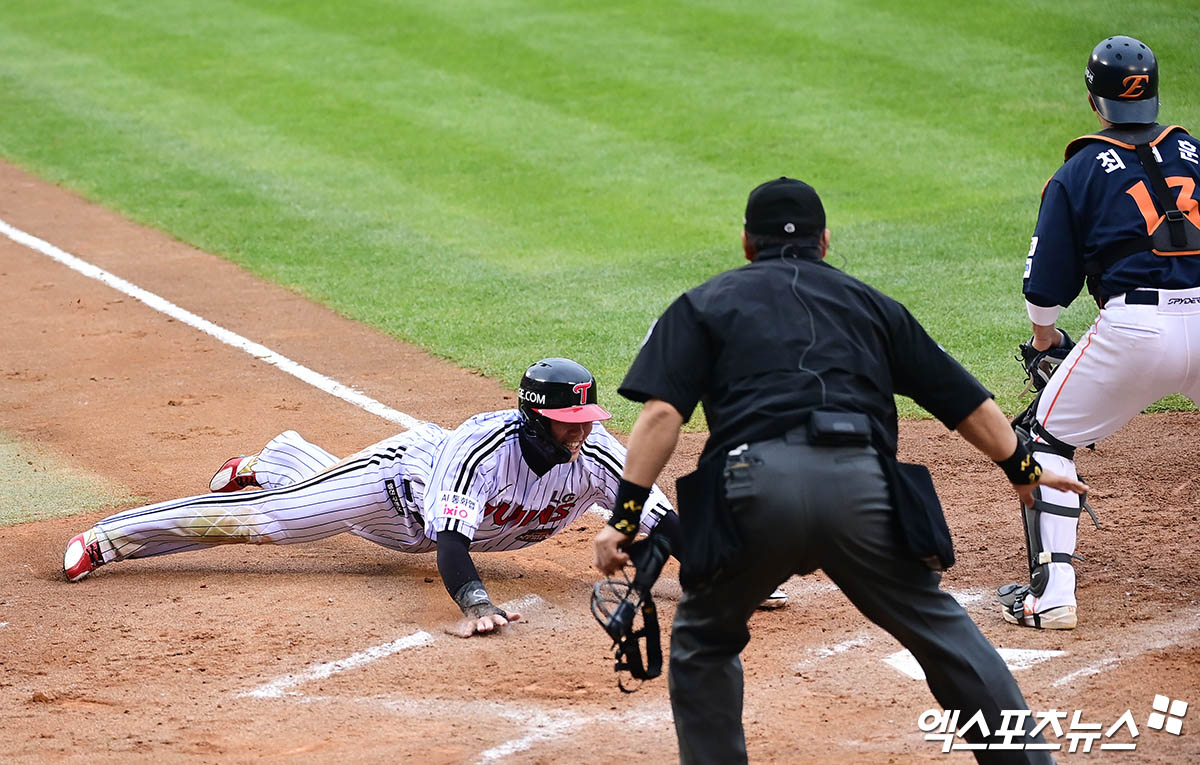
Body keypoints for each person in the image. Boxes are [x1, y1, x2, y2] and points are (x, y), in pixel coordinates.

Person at [592, 177, 1088, 764]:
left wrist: (624, 518)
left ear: (747, 243)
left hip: (752, 492)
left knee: (704, 641)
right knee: (941, 633)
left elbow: (661, 415)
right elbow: (966, 403)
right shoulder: (873, 305)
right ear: (824, 241)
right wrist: (1022, 468)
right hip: (861, 488)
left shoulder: (703, 304)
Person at [63, 357, 686, 637]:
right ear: (533, 418)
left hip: (422, 525)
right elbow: (451, 546)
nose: (582, 432)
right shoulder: (481, 451)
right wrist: (475, 604)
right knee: (276, 520)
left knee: (310, 488)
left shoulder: (597, 453)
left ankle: (276, 458)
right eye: (568, 421)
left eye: (587, 419)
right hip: (392, 490)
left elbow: (659, 521)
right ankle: (110, 539)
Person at [997, 35, 1200, 630]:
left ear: (1095, 101)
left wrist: (1045, 342)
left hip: (1136, 331)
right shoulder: (1194, 152)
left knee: (1042, 438)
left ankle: (1052, 595)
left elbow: (1044, 291)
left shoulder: (1078, 172)